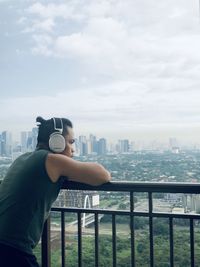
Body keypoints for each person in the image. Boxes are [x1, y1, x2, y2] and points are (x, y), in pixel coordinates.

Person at [0, 116, 111, 267]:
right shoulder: (51, 160)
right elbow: (102, 175)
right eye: (71, 142)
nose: (73, 149)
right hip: (12, 250)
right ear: (56, 142)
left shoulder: (22, 158)